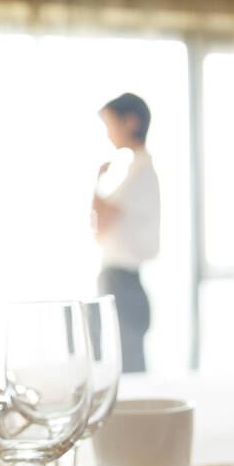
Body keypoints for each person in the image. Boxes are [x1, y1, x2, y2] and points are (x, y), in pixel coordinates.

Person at [92, 93, 161, 373]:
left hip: (123, 282)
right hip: (122, 280)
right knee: (122, 365)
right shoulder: (138, 169)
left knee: (125, 370)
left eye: (111, 124)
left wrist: (96, 181)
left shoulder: (141, 170)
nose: (109, 134)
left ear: (130, 122)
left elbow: (101, 221)